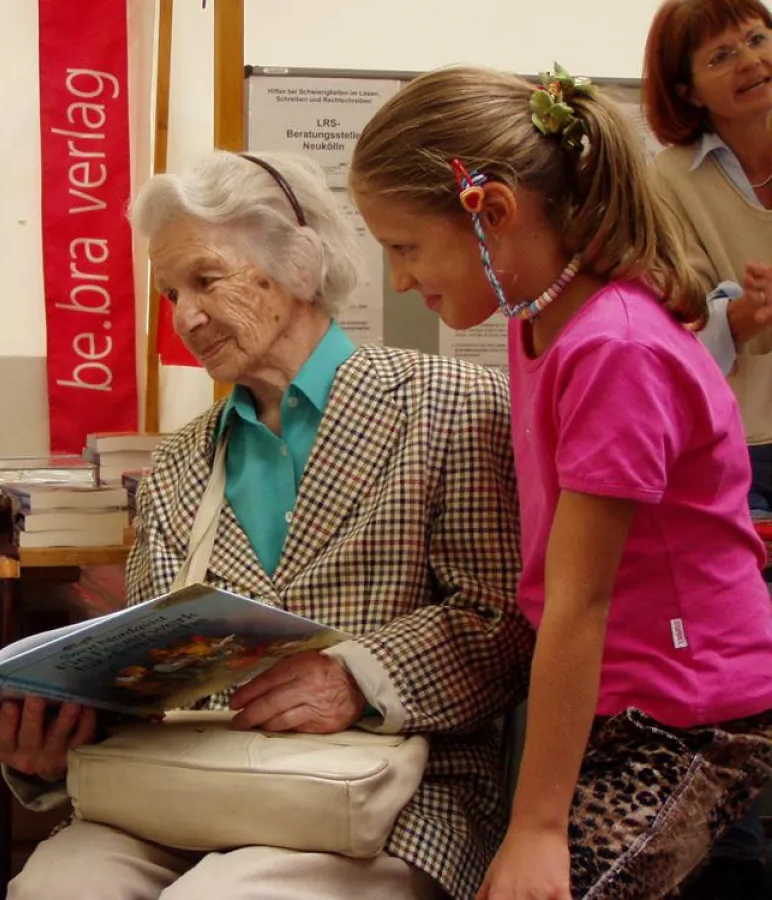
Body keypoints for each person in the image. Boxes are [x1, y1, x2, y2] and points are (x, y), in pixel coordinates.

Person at [0, 150, 535, 900]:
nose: (185, 318)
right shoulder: (176, 465)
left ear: (299, 263)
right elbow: (148, 678)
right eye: (171, 293)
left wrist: (359, 678)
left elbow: (504, 621)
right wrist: (56, 741)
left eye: (206, 279)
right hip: (193, 789)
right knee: (52, 890)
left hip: (391, 796)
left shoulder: (453, 405)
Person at [349, 62, 772, 899]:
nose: (398, 279)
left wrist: (537, 827)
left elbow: (582, 599)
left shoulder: (614, 349)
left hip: (689, 710)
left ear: (492, 213)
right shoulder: (538, 317)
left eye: (405, 247)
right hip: (614, 693)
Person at [644, 6, 772, 893]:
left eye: (759, 38)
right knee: (749, 677)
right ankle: (738, 866)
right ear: (687, 89)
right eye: (722, 54)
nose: (752, 61)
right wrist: (740, 316)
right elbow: (670, 320)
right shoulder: (666, 181)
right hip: (742, 450)